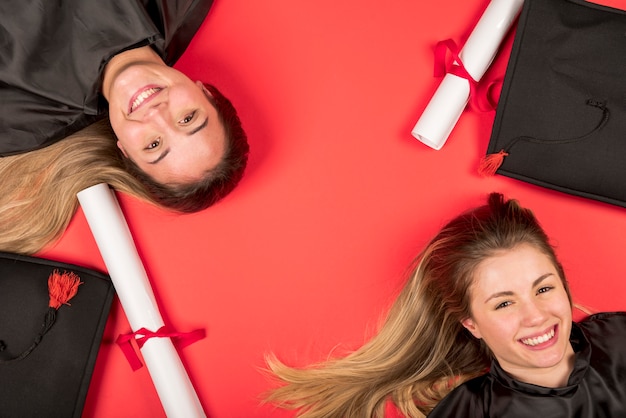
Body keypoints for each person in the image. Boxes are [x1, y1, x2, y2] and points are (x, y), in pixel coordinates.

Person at [264, 193, 626, 417]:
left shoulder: (620, 336)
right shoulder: (468, 412)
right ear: (471, 324)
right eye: (503, 304)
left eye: (543, 289)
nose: (535, 315)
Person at [0, 0, 249, 254]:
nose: (156, 114)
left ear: (125, 151)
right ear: (205, 92)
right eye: (187, 119)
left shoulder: (20, 122)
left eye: (154, 145)